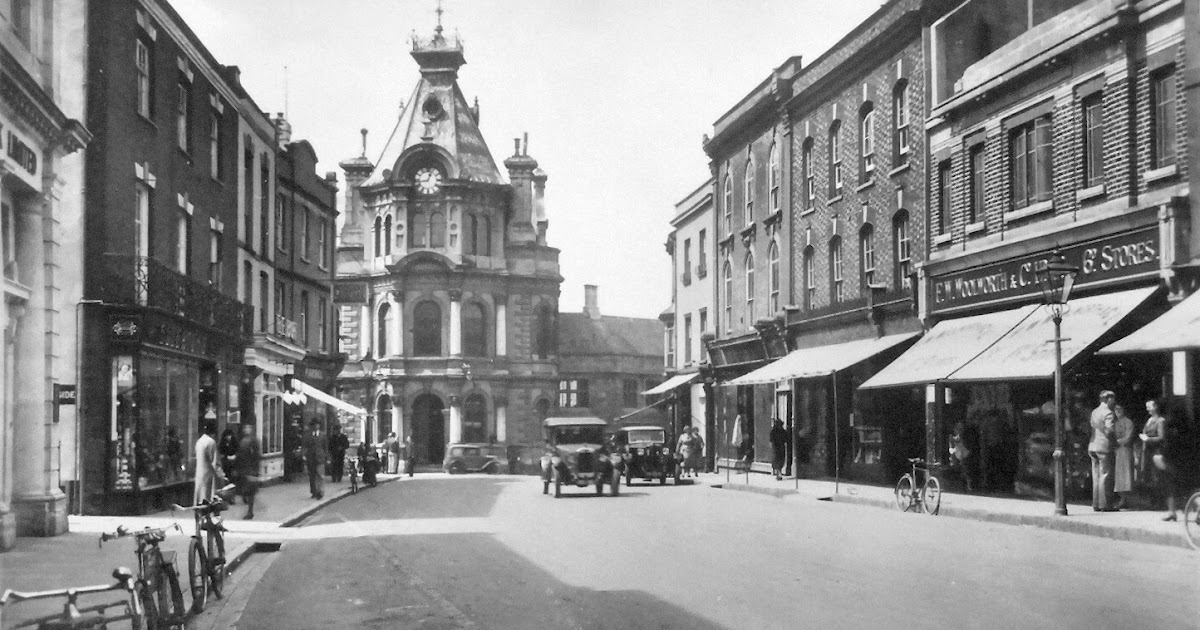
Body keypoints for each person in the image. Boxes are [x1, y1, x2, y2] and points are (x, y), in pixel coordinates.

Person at [1141, 399, 1179, 521]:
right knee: (1153, 477)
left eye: (1150, 406)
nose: (1148, 409)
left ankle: (1166, 506)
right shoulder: (1149, 420)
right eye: (1147, 407)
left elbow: (1162, 437)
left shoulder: (1160, 421)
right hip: (1149, 452)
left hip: (1158, 453)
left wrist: (1148, 439)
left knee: (1163, 478)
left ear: (1156, 407)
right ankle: (1158, 503)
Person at [1089, 390, 1117, 512]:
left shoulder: (1095, 411)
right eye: (1113, 398)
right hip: (1104, 446)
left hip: (1093, 446)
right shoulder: (1108, 413)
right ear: (1108, 399)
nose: (1114, 401)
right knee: (1105, 475)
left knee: (1096, 475)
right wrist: (1114, 440)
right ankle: (1105, 504)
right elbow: (1110, 430)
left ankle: (1096, 503)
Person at [233, 422, 261, 520]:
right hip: (243, 469)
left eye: (249, 428)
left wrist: (255, 470)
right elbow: (240, 455)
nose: (247, 430)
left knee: (250, 492)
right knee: (244, 490)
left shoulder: (254, 441)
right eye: (246, 428)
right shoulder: (243, 441)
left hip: (250, 469)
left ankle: (250, 511)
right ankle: (249, 509)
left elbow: (256, 456)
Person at [1112, 403, 1137, 510]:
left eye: (1119, 409)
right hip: (1116, 451)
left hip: (1125, 450)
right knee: (1117, 475)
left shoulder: (1128, 422)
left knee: (1125, 474)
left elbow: (1128, 437)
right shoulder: (1114, 423)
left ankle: (1124, 499)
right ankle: (1121, 498)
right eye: (1116, 409)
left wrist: (1117, 442)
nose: (1118, 411)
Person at [193, 418, 222, 505]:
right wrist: (220, 474)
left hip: (199, 472)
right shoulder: (211, 442)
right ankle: (207, 516)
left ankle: (199, 514)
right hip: (208, 473)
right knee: (208, 497)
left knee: (200, 496)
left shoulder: (199, 441)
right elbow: (213, 460)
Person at [301, 419, 328, 500]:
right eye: (314, 425)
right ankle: (313, 491)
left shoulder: (323, 435)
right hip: (311, 458)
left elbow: (325, 447)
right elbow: (304, 446)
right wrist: (304, 455)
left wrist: (326, 457)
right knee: (312, 476)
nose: (316, 426)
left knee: (320, 475)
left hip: (320, 458)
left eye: (317, 425)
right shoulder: (307, 435)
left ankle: (320, 491)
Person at [949, 421, 974, 492]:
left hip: (963, 454)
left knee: (965, 468)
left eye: (961, 429)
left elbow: (966, 447)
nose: (959, 431)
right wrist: (952, 450)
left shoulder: (964, 437)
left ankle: (968, 484)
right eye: (957, 429)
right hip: (956, 454)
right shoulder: (952, 437)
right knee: (957, 467)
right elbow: (951, 446)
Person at [217, 428, 239, 502]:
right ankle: (227, 496)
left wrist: (235, 456)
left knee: (233, 480)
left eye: (230, 435)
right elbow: (221, 453)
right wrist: (227, 457)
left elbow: (238, 451)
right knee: (227, 480)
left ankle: (232, 496)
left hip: (234, 464)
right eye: (227, 436)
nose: (229, 437)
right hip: (226, 465)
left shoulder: (234, 442)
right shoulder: (222, 443)